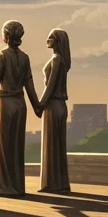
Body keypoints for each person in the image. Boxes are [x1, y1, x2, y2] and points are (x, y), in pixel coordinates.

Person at [0, 20, 41, 198]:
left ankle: (3, 186)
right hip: (21, 104)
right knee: (16, 146)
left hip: (5, 103)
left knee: (3, 146)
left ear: (5, 36)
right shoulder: (25, 57)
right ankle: (17, 186)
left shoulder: (2, 55)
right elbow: (29, 84)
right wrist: (36, 105)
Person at [38, 28, 71, 193]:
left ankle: (52, 183)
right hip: (57, 105)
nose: (47, 39)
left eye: (50, 37)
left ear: (58, 41)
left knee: (52, 144)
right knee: (56, 145)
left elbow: (50, 86)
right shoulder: (60, 60)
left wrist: (40, 104)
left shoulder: (57, 60)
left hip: (53, 105)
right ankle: (58, 183)